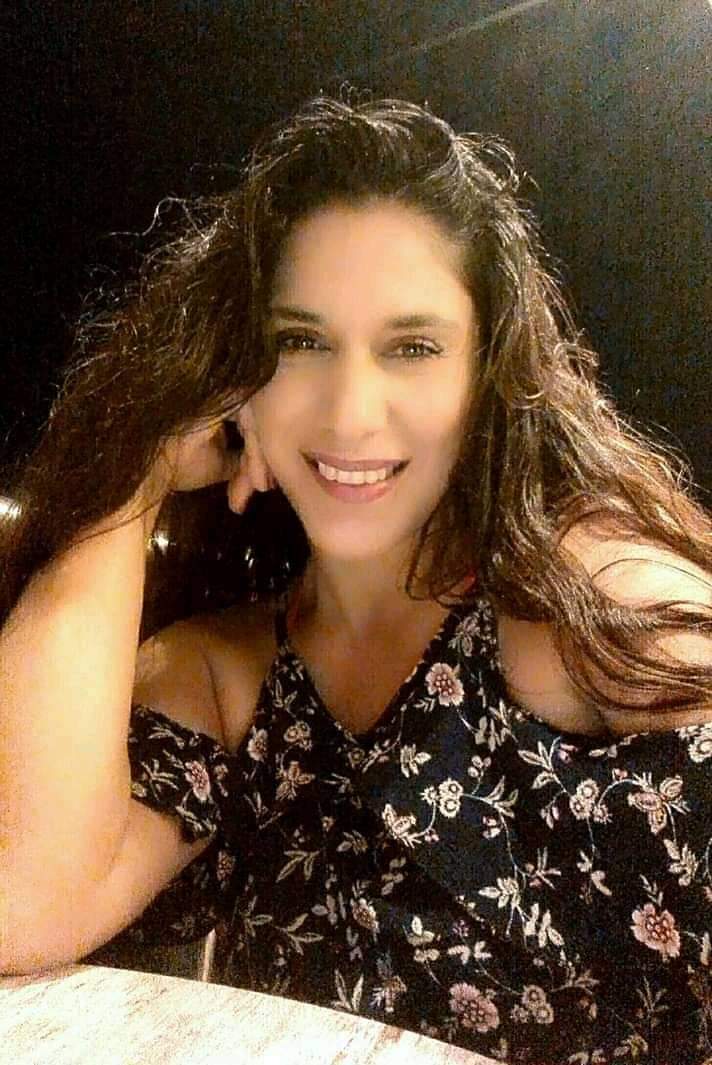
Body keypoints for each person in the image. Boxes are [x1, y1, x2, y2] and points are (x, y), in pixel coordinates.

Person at [1, 96, 711, 1064]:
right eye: (300, 341)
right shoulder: (224, 673)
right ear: (234, 374)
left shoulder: (583, 599)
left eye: (412, 347)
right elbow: (21, 900)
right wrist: (134, 477)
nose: (349, 412)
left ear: (487, 377)